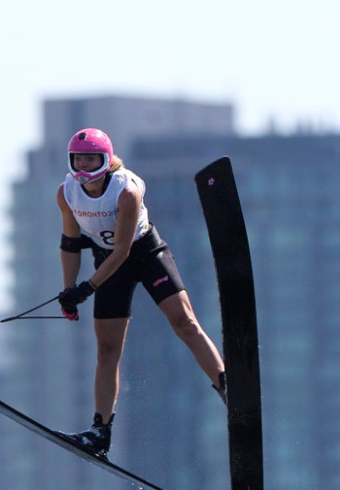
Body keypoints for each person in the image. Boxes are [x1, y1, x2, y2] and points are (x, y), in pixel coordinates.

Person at [55, 127, 226, 458]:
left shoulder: (126, 192)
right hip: (107, 263)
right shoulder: (66, 193)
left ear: (106, 160)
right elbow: (71, 243)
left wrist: (87, 288)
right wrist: (67, 291)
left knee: (184, 323)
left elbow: (122, 251)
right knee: (106, 351)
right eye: (78, 159)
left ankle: (226, 386)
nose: (84, 166)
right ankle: (99, 431)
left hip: (145, 255)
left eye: (91, 159)